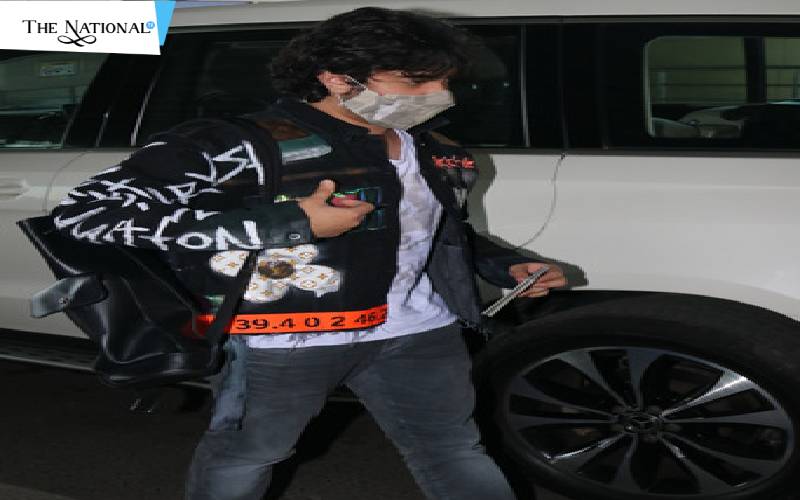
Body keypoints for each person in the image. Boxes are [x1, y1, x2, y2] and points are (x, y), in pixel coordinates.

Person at [50, 7, 567, 500]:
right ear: (338, 78)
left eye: (444, 81)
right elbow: (88, 215)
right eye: (415, 82)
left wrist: (503, 265)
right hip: (284, 340)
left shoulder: (435, 149)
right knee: (248, 457)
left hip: (418, 332)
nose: (439, 95)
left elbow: (436, 232)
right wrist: (290, 222)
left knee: (453, 450)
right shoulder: (235, 144)